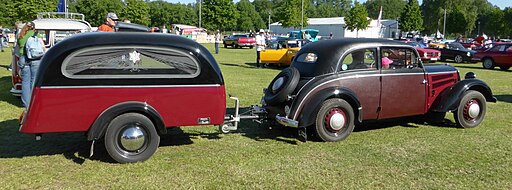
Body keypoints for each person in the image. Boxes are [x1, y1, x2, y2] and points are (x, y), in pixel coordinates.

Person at [17, 22, 47, 107]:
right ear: (34, 27)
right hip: (35, 59)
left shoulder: (20, 35)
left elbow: (19, 47)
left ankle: (26, 103)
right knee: (34, 81)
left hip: (23, 59)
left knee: (25, 81)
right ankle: (33, 102)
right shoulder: (36, 35)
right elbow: (43, 47)